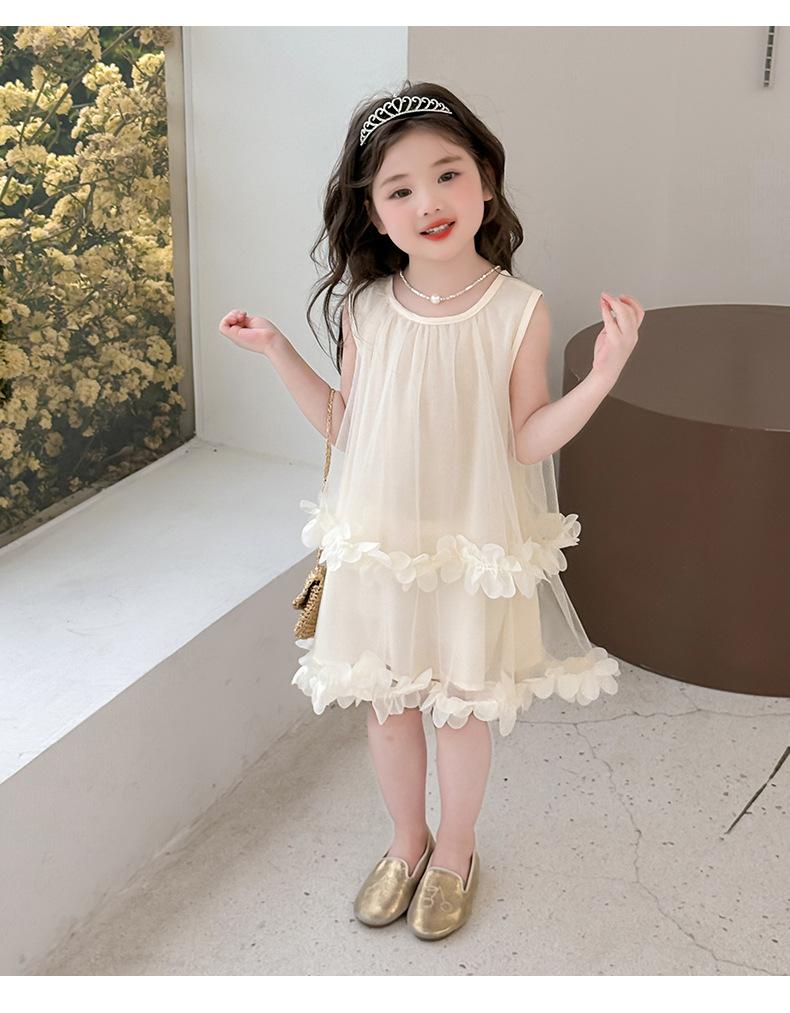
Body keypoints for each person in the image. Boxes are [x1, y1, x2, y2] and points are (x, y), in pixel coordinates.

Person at [218, 81, 643, 941]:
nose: (429, 203)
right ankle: (405, 839)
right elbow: (348, 425)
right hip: (387, 545)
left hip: (472, 547)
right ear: (375, 214)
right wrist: (277, 351)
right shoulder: (367, 310)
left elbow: (526, 439)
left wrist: (602, 374)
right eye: (400, 189)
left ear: (484, 179)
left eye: (447, 175)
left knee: (461, 708)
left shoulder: (517, 310)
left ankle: (456, 847)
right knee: (390, 707)